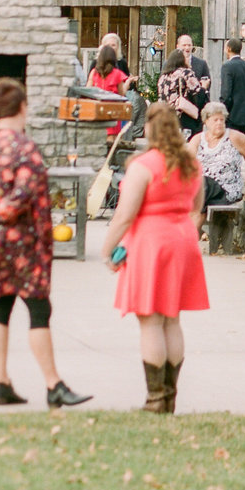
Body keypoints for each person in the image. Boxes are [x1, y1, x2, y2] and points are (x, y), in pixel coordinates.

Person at [0, 78, 90, 408]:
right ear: (22, 107)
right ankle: (54, 385)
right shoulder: (24, 148)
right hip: (24, 243)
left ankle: (1, 382)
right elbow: (23, 193)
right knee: (38, 309)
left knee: (0, 306)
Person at [104, 101, 209, 411]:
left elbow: (124, 215)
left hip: (151, 244)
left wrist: (107, 248)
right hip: (182, 241)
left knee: (150, 322)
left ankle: (155, 399)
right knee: (172, 319)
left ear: (149, 129)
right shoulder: (192, 165)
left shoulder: (143, 165)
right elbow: (196, 206)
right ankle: (170, 398)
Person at [188, 101, 245, 228]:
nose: (219, 123)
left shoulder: (234, 137)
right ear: (206, 121)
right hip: (204, 191)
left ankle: (185, 239)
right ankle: (188, 242)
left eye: (222, 120)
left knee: (202, 187)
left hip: (226, 190)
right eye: (215, 120)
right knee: (198, 204)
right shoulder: (197, 140)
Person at [158, 48, 207, 139]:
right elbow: (198, 94)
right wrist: (204, 87)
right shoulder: (186, 73)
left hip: (167, 117)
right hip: (184, 117)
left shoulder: (163, 77)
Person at [219, 38, 245, 137]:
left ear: (228, 49)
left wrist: (222, 111)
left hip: (231, 115)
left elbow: (226, 94)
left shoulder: (227, 67)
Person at [89, 44, 131, 140]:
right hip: (113, 113)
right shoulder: (117, 74)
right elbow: (122, 94)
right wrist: (128, 83)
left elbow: (88, 90)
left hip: (97, 112)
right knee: (112, 142)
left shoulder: (94, 73)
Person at [176, 32, 212, 131]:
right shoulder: (170, 64)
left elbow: (207, 83)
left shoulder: (201, 64)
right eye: (184, 45)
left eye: (189, 45)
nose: (187, 47)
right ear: (178, 46)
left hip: (195, 110)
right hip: (176, 112)